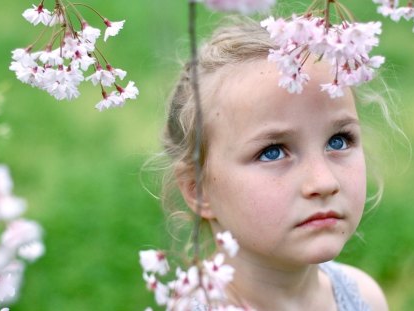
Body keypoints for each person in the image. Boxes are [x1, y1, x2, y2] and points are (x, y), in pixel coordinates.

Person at [160, 18, 390, 311]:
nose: (323, 182)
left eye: (338, 141)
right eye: (273, 152)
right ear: (199, 190)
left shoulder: (363, 297)